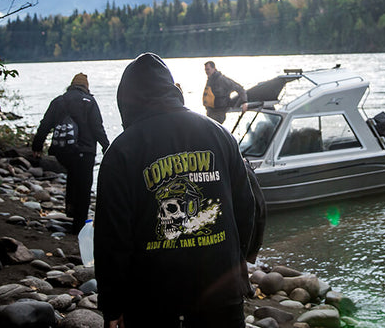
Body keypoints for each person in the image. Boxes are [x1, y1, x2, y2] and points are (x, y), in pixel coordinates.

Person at [95, 53, 263, 328]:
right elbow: (247, 210)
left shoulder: (121, 151)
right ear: (174, 92)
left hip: (151, 301)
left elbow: (112, 239)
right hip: (221, 293)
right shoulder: (221, 136)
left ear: (126, 100)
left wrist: (112, 306)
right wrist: (236, 260)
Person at [31, 73, 109, 234]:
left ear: (71, 85)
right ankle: (79, 225)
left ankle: (71, 211)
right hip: (85, 152)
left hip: (63, 152)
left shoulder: (59, 101)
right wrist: (106, 147)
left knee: (73, 178)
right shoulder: (89, 102)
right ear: (86, 87)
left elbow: (45, 125)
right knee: (84, 187)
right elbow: (97, 127)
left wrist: (37, 146)